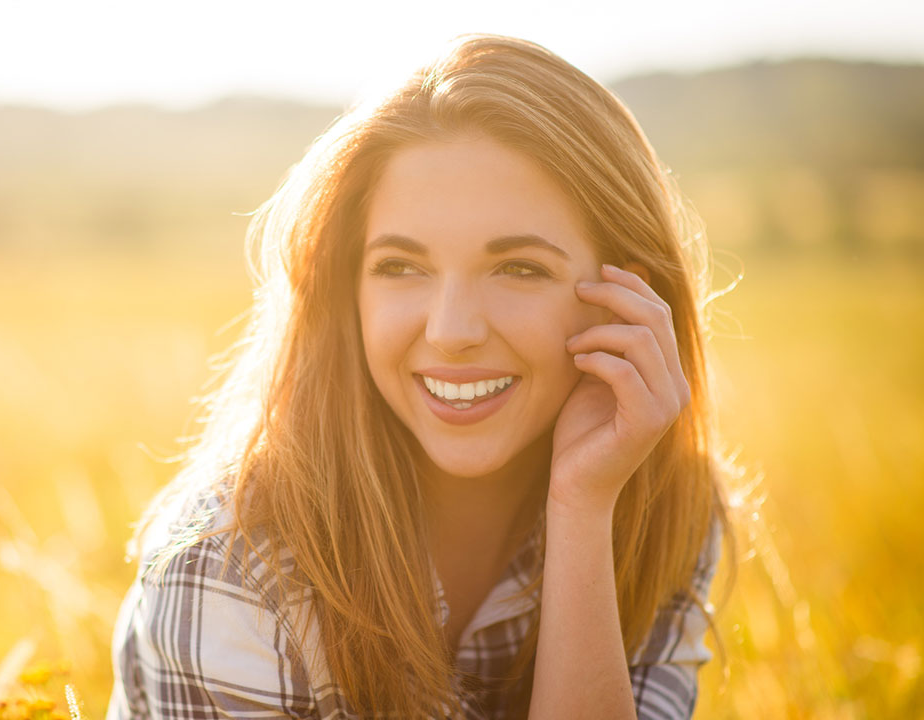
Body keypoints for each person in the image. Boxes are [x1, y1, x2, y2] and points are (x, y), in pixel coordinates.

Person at [107, 34, 734, 719]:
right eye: (400, 267)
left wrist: (583, 511)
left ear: (625, 302)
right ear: (346, 289)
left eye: (519, 268)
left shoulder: (664, 507)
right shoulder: (228, 565)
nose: (450, 330)